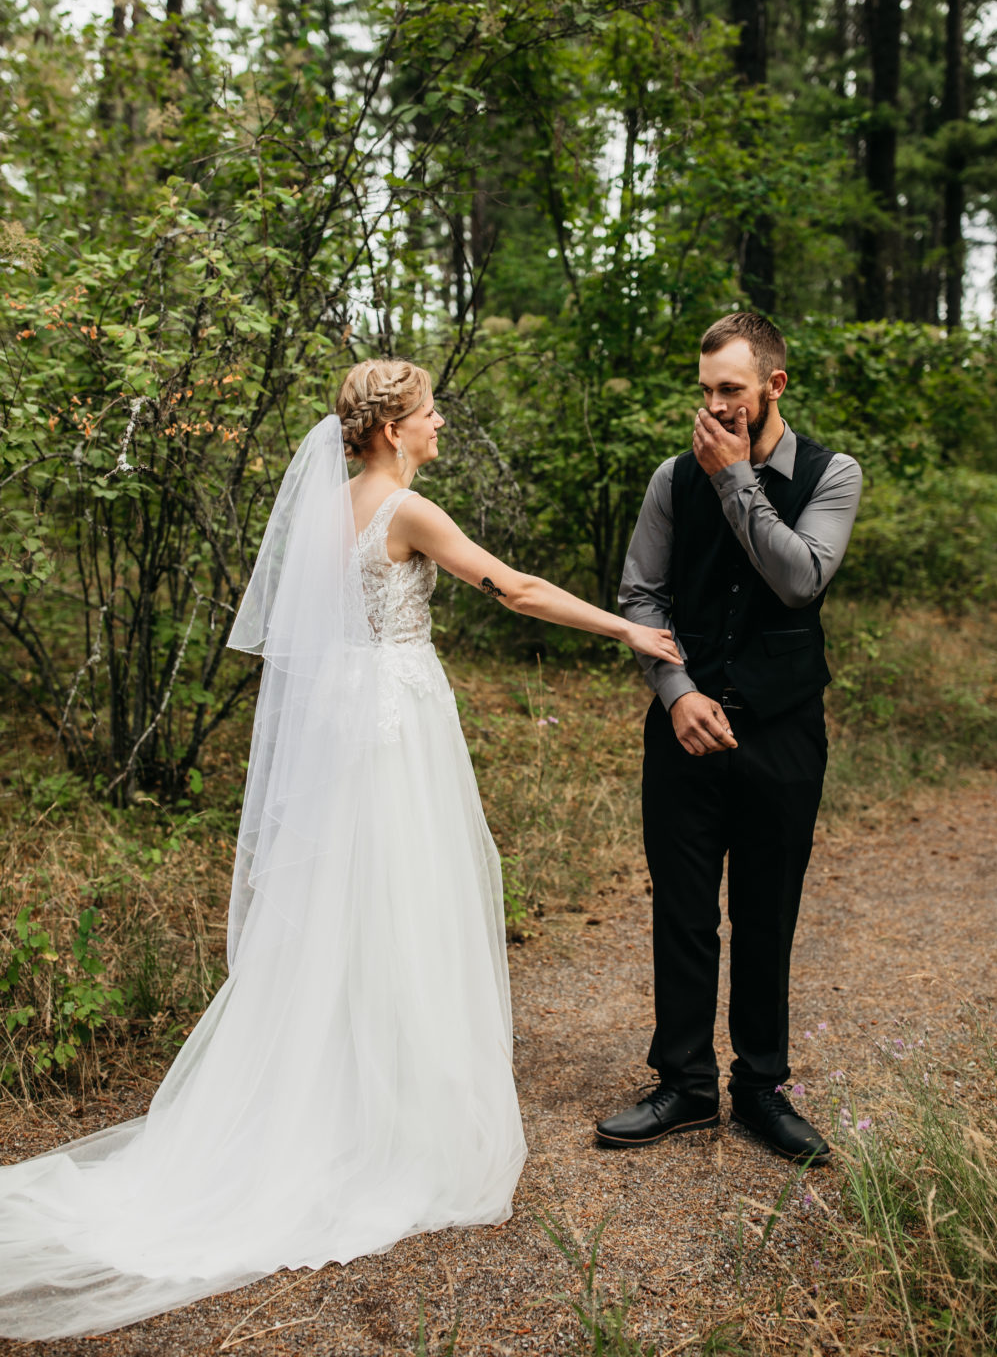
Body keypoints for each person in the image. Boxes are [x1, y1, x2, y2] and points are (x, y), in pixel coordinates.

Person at [0, 359, 681, 1341]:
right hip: (392, 728)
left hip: (339, 723)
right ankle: (390, 1122)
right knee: (404, 900)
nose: (442, 422)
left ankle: (351, 1096)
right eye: (431, 411)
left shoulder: (322, 510)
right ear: (396, 425)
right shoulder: (406, 510)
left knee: (342, 911)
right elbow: (514, 587)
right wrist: (629, 629)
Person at [595, 313, 862, 1164]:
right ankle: (684, 1085)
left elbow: (798, 579)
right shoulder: (671, 479)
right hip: (682, 732)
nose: (713, 407)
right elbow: (640, 597)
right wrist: (675, 694)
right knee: (681, 912)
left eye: (731, 391)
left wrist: (738, 480)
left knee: (765, 911)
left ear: (773, 386)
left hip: (783, 735)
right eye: (706, 390)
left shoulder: (832, 475)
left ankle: (760, 1090)